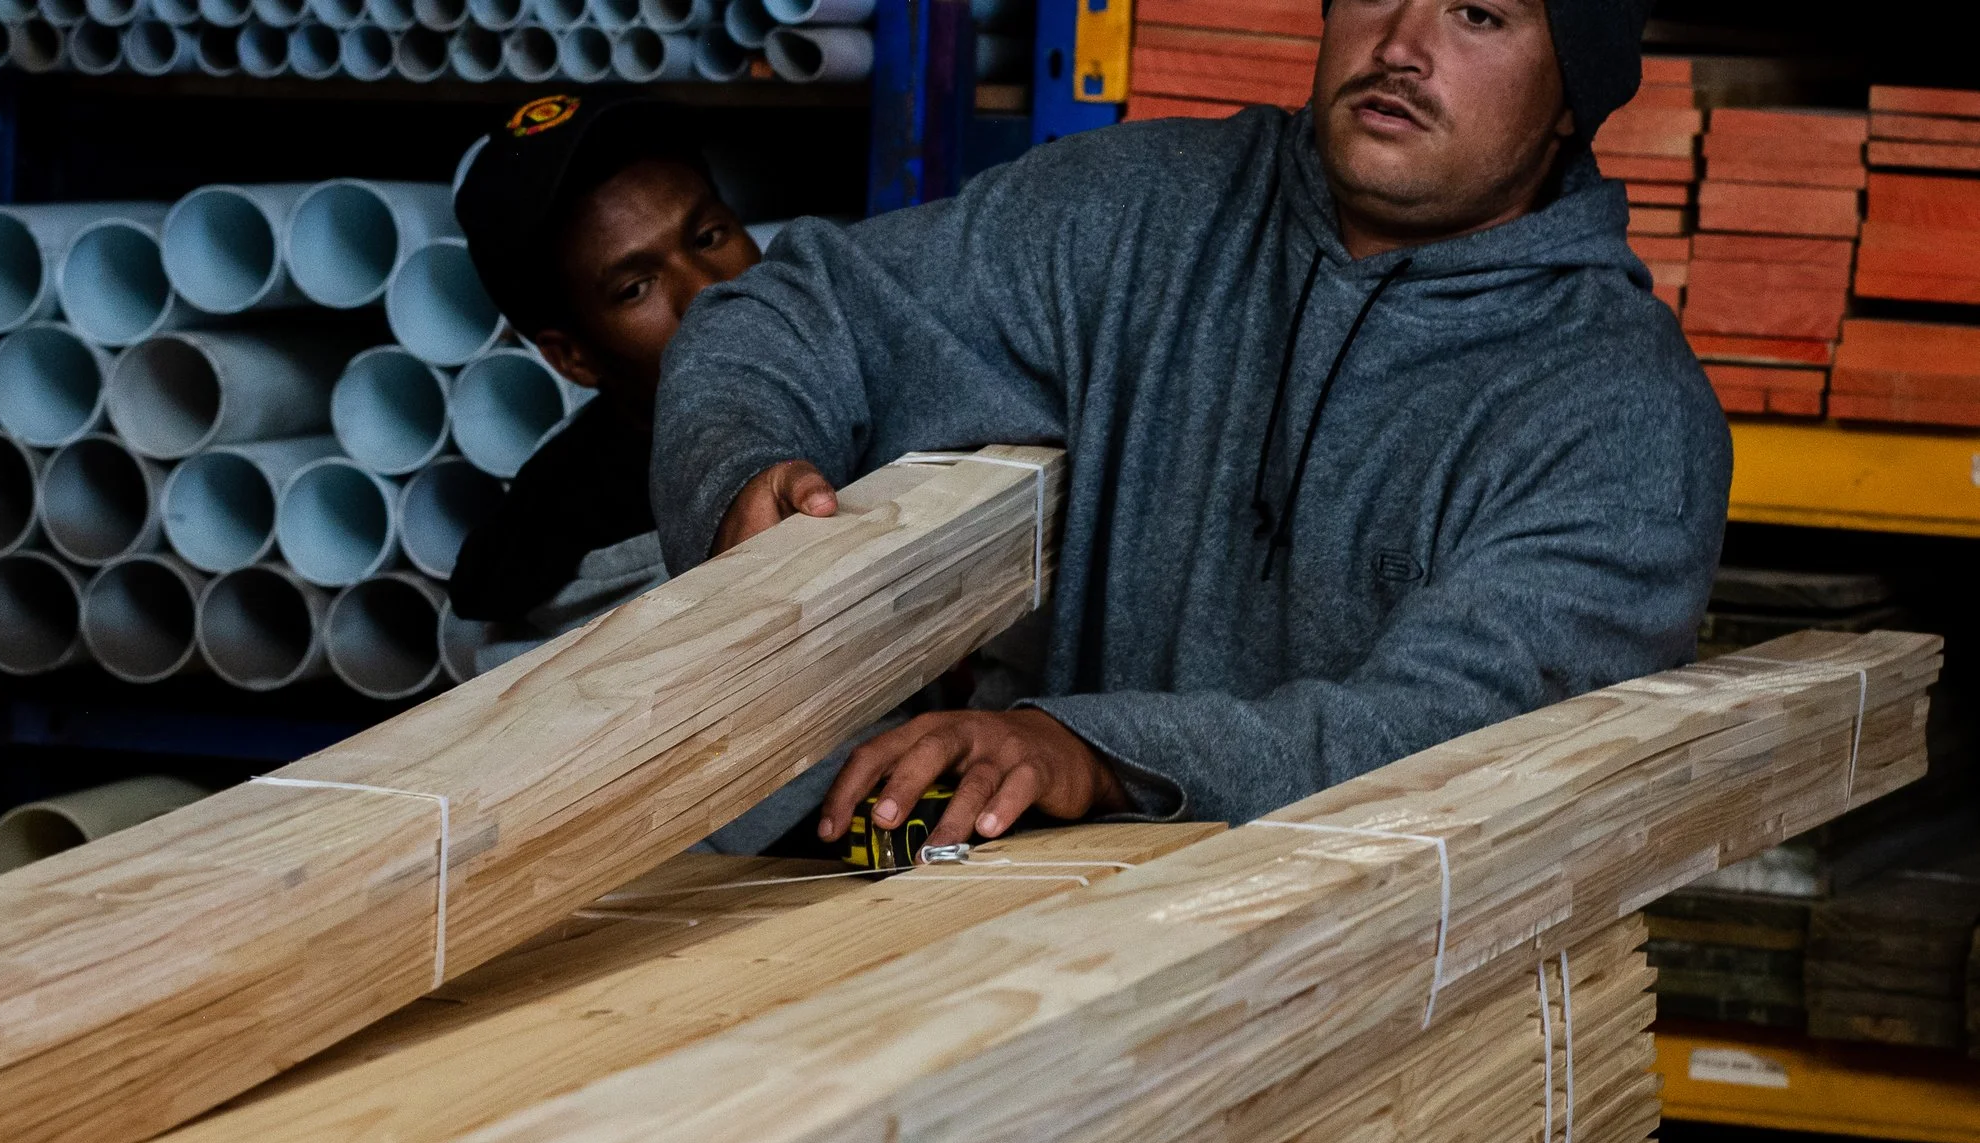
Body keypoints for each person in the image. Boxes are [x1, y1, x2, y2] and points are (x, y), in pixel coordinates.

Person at [652, 0, 1731, 857]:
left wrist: (1097, 751)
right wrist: (744, 470)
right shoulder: (1144, 210)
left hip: (1389, 1022)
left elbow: (1450, 741)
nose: (1400, 46)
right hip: (1035, 957)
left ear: (1566, 100)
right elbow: (800, 308)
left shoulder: (1620, 412)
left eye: (1478, 16)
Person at [449, 91, 763, 628]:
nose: (708, 291)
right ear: (572, 358)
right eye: (636, 288)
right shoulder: (583, 557)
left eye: (709, 236)